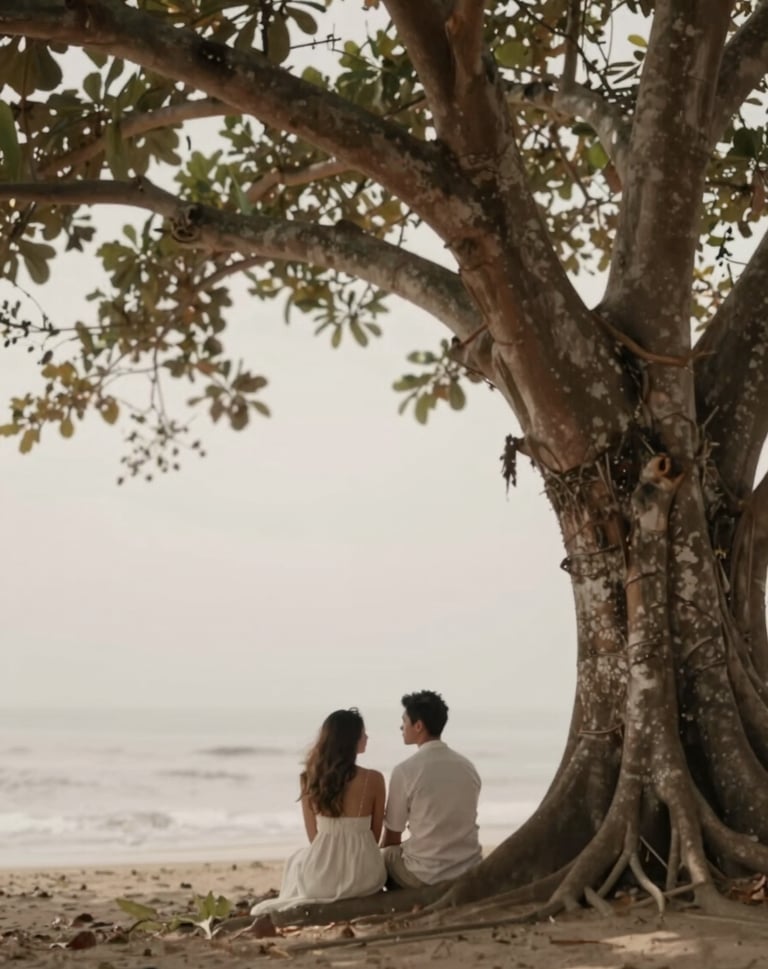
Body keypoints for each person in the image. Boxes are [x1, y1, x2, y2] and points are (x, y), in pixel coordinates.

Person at [251, 708, 386, 914]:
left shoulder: (309, 778)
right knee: (298, 860)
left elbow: (313, 838)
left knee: (296, 861)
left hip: (320, 882)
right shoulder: (374, 779)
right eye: (362, 733)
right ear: (351, 739)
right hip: (366, 878)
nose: (367, 737)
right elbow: (375, 836)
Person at [380, 690, 481, 888]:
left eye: (404, 721)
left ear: (418, 726)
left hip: (426, 875)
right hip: (468, 867)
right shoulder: (467, 767)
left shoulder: (405, 770)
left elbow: (392, 835)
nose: (401, 727)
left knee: (386, 855)